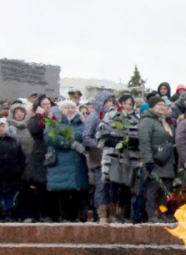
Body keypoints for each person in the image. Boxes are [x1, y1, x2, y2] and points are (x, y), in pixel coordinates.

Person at [97, 93, 141, 223]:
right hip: (114, 155)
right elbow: (101, 134)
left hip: (129, 156)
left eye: (130, 104)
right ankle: (112, 214)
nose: (128, 106)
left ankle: (122, 213)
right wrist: (114, 140)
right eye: (125, 103)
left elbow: (140, 137)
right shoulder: (111, 115)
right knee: (114, 183)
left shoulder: (136, 119)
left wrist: (132, 141)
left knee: (127, 185)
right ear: (120, 104)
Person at [46, 100, 90, 221]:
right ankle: (64, 216)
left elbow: (86, 136)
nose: (70, 110)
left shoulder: (81, 124)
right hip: (61, 161)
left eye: (73, 107)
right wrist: (70, 143)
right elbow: (50, 137)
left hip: (77, 161)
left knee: (77, 190)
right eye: (67, 108)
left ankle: (75, 216)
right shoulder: (55, 123)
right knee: (63, 191)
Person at [138, 96, 176, 223]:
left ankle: (162, 213)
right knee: (153, 188)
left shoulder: (163, 121)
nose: (162, 107)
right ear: (152, 106)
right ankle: (152, 214)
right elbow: (144, 141)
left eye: (163, 105)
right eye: (159, 104)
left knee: (165, 189)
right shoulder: (146, 121)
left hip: (166, 160)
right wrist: (148, 160)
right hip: (154, 160)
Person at [83, 91, 117, 223]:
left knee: (112, 187)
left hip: (112, 157)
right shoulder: (94, 118)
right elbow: (86, 137)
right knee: (101, 186)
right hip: (99, 158)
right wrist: (100, 144)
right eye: (108, 101)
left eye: (112, 101)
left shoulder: (113, 117)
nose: (110, 104)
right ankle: (101, 214)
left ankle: (111, 213)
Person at [25, 95, 54, 221]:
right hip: (40, 156)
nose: (47, 106)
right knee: (40, 186)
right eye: (44, 104)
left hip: (52, 155)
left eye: (48, 104)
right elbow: (35, 130)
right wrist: (40, 117)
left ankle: (50, 214)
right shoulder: (34, 119)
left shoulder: (54, 118)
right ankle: (39, 214)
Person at [0, 118, 25, 219]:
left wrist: (18, 169)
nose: (1, 128)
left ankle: (10, 215)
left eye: (2, 126)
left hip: (12, 176)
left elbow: (21, 158)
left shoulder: (14, 142)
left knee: (11, 197)